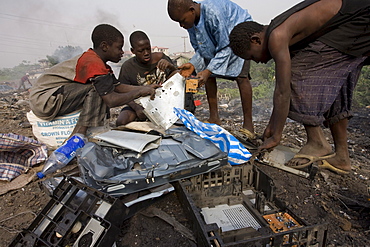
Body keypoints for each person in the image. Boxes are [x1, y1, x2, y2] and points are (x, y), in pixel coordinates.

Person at [229, 0, 370, 174]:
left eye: (252, 56)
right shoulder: (283, 33)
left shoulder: (277, 36)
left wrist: (276, 136)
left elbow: (283, 89)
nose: (257, 61)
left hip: (359, 18)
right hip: (358, 21)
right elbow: (280, 91)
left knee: (296, 74)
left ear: (256, 40)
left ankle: (317, 142)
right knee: (333, 84)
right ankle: (342, 157)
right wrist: (272, 127)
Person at [29, 24, 160, 137]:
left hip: (53, 97)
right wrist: (139, 93)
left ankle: (86, 131)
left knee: (102, 87)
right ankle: (78, 134)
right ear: (104, 46)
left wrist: (145, 89)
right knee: (98, 89)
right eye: (119, 47)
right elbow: (111, 100)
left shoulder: (100, 64)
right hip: (44, 100)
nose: (121, 52)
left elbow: (118, 87)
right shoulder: (93, 63)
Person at [167, 0, 255, 138]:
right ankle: (214, 118)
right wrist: (193, 64)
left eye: (182, 20)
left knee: (241, 77)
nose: (181, 25)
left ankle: (249, 126)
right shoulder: (191, 25)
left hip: (239, 33)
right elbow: (201, 50)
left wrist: (208, 71)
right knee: (207, 75)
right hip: (223, 40)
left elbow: (226, 45)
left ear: (192, 10)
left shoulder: (213, 12)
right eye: (178, 22)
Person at [117, 30, 194, 126]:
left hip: (163, 100)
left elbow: (177, 76)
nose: (146, 53)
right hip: (140, 103)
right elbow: (122, 92)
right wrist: (136, 108)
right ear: (133, 51)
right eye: (141, 51)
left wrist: (170, 66)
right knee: (122, 121)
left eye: (148, 49)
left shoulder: (161, 58)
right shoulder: (128, 67)